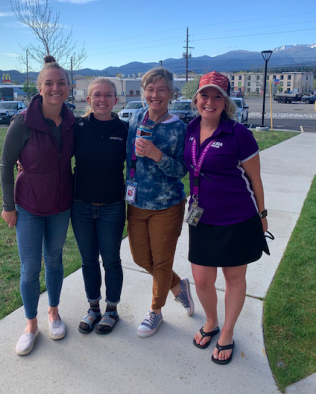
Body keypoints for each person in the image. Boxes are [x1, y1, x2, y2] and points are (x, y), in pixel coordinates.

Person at [184, 71, 270, 365]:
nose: (210, 101)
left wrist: (262, 214)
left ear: (226, 101)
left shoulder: (239, 134)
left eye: (217, 96)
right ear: (197, 98)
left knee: (234, 278)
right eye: (204, 95)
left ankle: (227, 333)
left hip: (237, 218)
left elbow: (255, 180)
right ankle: (211, 321)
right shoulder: (190, 130)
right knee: (202, 279)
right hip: (201, 217)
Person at [0, 55, 75, 355]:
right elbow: (6, 164)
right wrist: (8, 206)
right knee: (30, 268)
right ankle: (31, 324)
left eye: (61, 83)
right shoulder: (23, 122)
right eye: (49, 83)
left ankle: (53, 312)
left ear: (68, 87)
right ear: (39, 87)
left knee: (54, 260)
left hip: (60, 205)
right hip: (28, 206)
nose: (55, 88)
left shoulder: (71, 122)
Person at [126, 67, 195, 338]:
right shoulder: (135, 119)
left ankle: (156, 311)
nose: (155, 95)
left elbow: (182, 170)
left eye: (161, 89)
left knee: (162, 262)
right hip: (136, 203)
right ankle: (178, 286)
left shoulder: (179, 128)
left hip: (167, 206)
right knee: (141, 258)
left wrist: (157, 155)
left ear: (171, 94)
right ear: (143, 92)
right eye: (150, 89)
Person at [71, 77, 128, 335]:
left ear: (116, 100)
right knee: (88, 260)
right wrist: (23, 163)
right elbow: (55, 154)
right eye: (97, 95)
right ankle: (93, 307)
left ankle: (112, 310)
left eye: (108, 95)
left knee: (112, 261)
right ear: (88, 98)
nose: (102, 100)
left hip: (112, 206)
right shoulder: (78, 127)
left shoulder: (125, 129)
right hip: (81, 205)